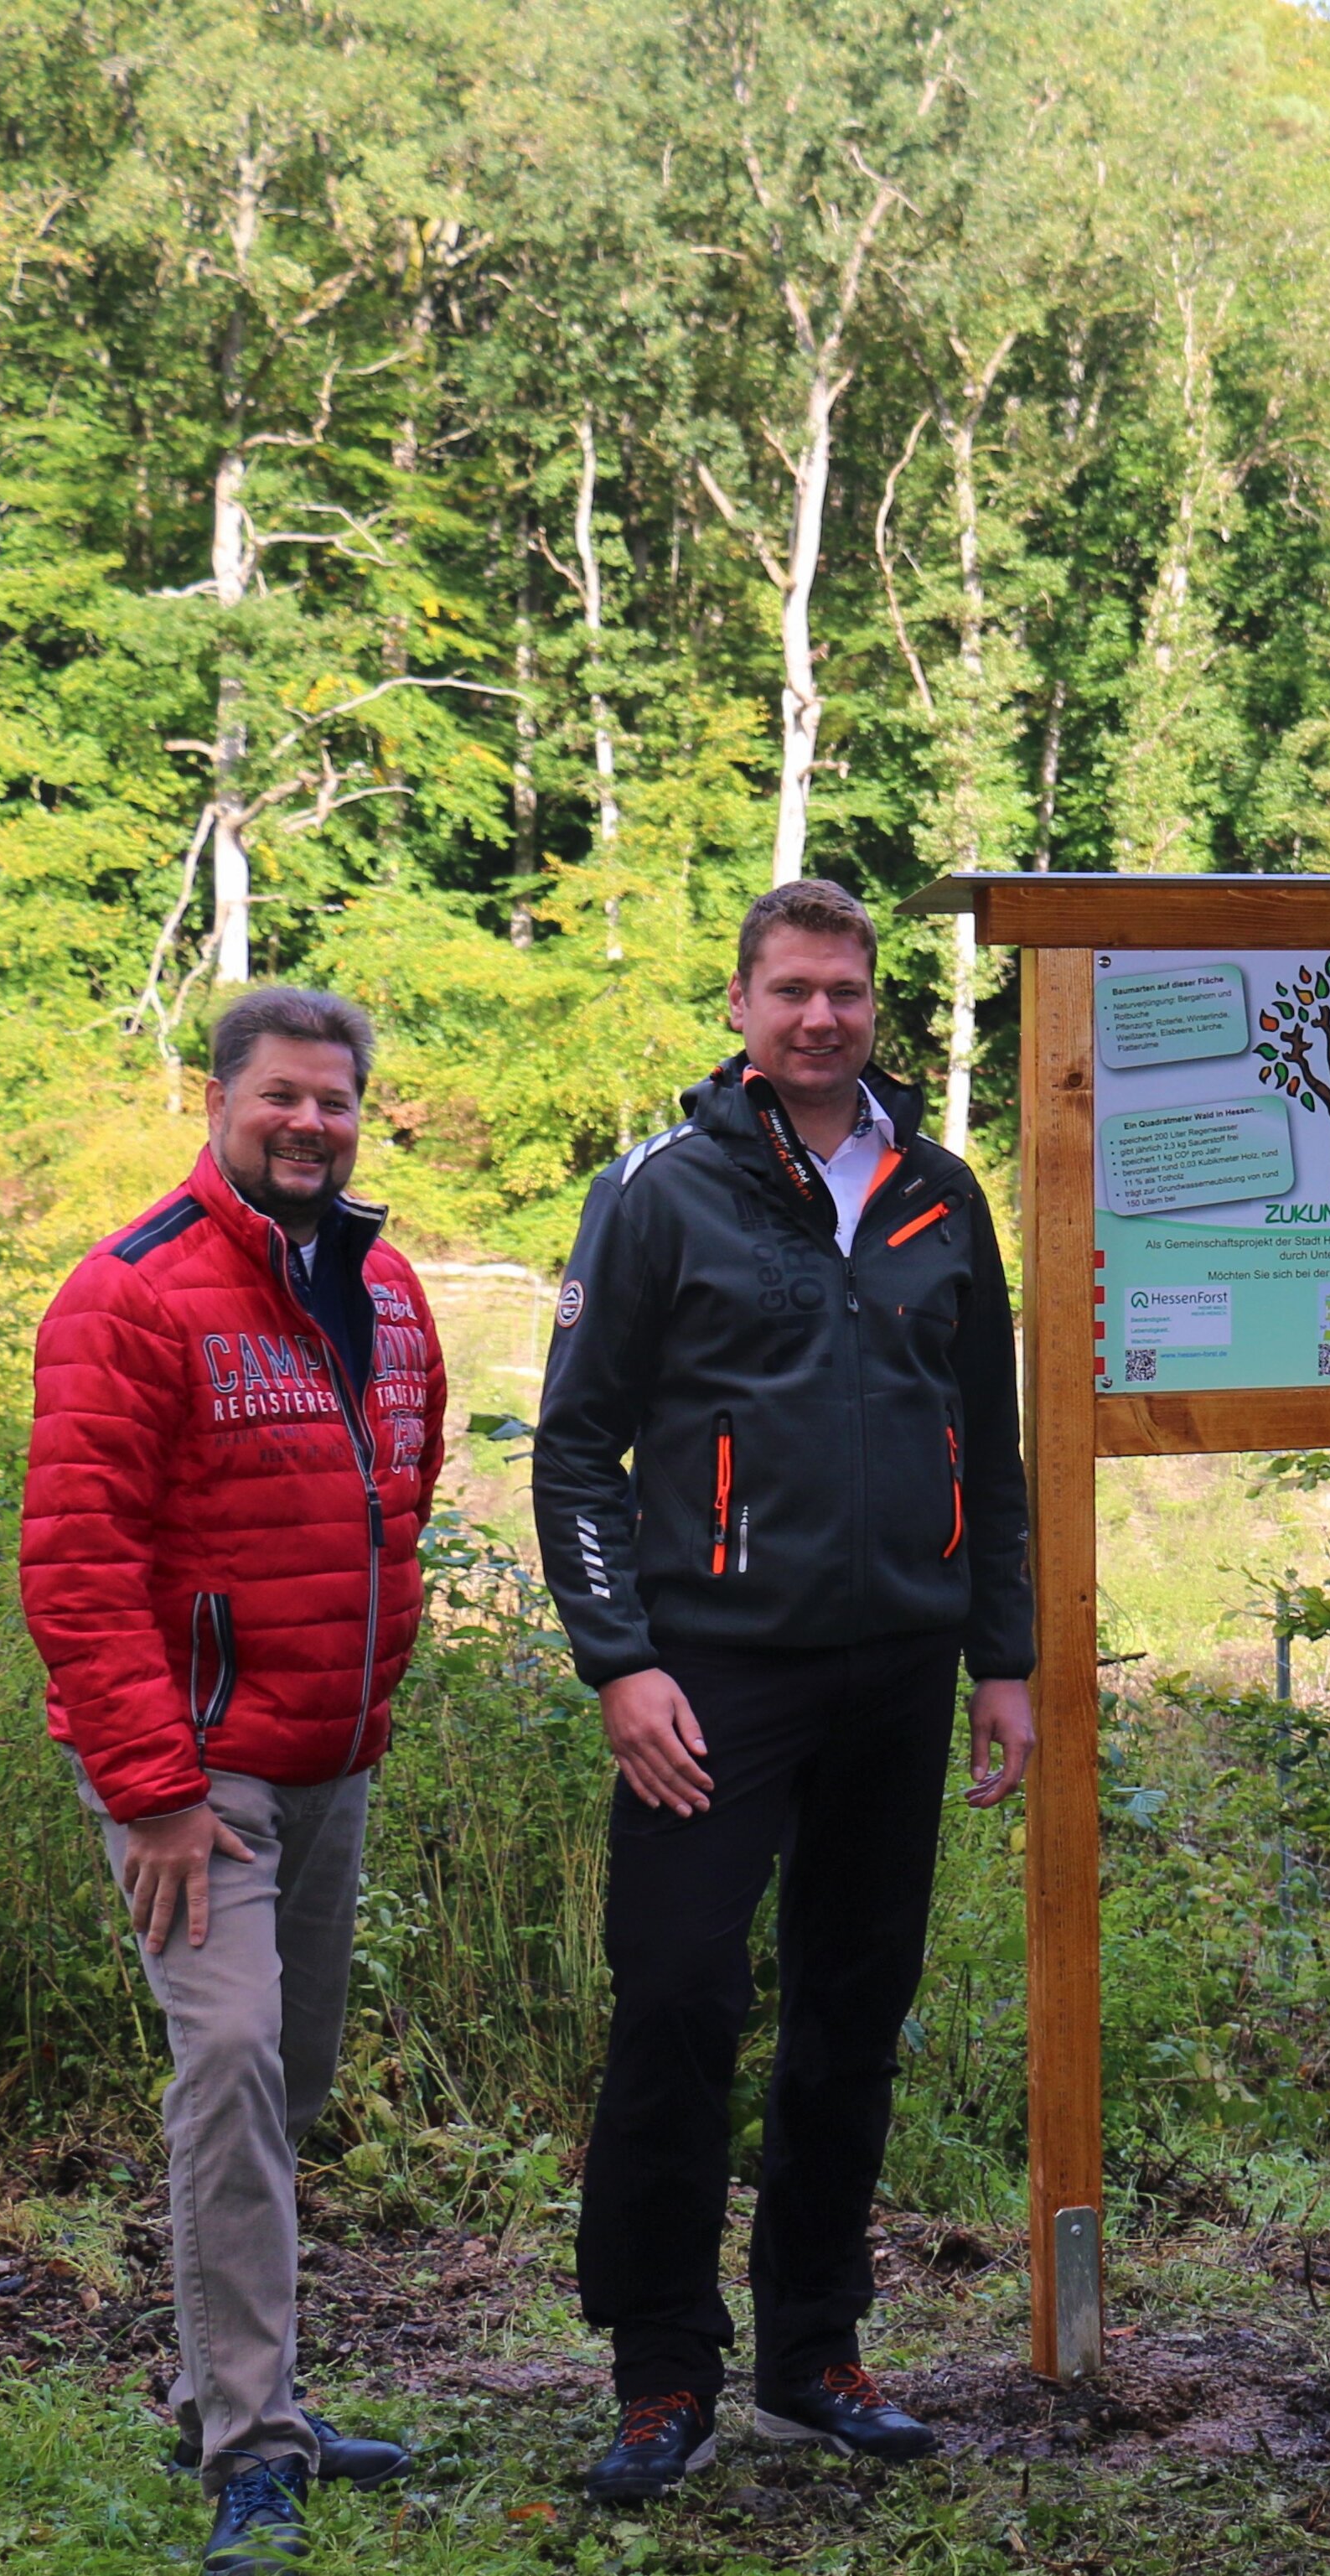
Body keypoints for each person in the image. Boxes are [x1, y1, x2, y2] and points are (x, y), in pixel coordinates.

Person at [532, 879, 1037, 2505]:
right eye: (791, 989)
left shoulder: (941, 1197)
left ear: (875, 1005)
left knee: (851, 2011)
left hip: (896, 1667)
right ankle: (660, 2369)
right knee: (677, 1996)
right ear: (741, 1004)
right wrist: (619, 1664)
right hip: (710, 1679)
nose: (820, 1015)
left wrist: (1001, 1663)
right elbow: (574, 1448)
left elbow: (993, 1453)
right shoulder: (660, 1194)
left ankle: (815, 2345)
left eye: (846, 990)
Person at [21, 986, 443, 2576]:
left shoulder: (389, 1290)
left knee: (294, 2080)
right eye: (282, 1096)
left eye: (335, 1101)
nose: (310, 1124)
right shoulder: (130, 1296)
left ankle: (220, 2376)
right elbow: (74, 1567)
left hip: (329, 1760)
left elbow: (402, 1491)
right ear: (219, 1099)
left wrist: (369, 1696)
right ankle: (252, 2444)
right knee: (237, 2066)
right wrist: (153, 1785)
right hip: (193, 1780)